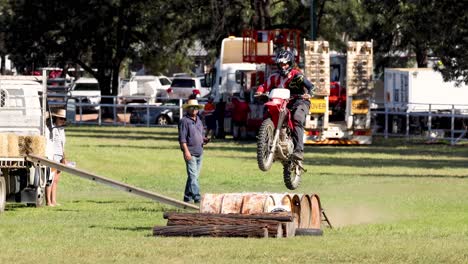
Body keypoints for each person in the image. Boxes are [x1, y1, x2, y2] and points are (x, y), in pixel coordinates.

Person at [255, 49, 315, 160]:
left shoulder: (297, 76)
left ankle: (298, 150)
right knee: (268, 114)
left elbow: (311, 87)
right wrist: (259, 91)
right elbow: (264, 85)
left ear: (290, 63)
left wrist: (309, 94)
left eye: (285, 64)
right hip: (281, 102)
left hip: (299, 101)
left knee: (297, 117)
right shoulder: (274, 77)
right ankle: (266, 144)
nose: (283, 66)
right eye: (280, 64)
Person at [178, 99, 208, 203]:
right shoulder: (184, 121)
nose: (194, 109)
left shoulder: (199, 120)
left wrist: (204, 140)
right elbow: (182, 139)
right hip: (190, 152)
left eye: (196, 108)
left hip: (200, 152)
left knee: (193, 176)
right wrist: (186, 151)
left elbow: (201, 135)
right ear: (188, 109)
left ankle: (187, 197)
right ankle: (197, 197)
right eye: (192, 107)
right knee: (193, 176)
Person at [45, 108, 67, 207]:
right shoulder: (51, 129)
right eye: (61, 119)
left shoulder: (62, 130)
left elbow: (62, 145)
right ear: (56, 118)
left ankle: (53, 200)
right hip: (53, 156)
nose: (63, 121)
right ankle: (48, 201)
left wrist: (64, 157)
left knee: (56, 180)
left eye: (64, 119)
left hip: (59, 156)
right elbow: (50, 143)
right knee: (50, 179)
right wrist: (52, 157)